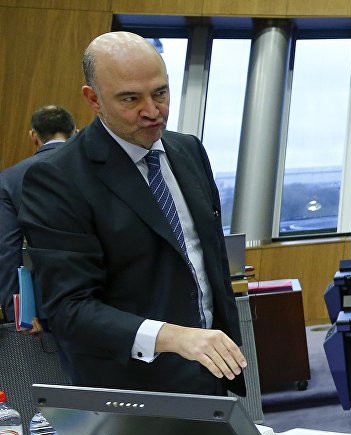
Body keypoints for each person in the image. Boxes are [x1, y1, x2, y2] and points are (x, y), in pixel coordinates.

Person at [18, 31, 246, 396]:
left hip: (212, 374)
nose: (152, 111)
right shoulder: (58, 178)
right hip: (130, 388)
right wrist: (172, 337)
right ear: (93, 99)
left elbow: (207, 260)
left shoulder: (187, 151)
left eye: (160, 93)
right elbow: (68, 308)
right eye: (130, 99)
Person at [0, 105, 76, 329]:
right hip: (105, 304)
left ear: (33, 136)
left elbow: (6, 249)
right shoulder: (98, 170)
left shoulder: (10, 178)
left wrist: (17, 311)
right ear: (75, 131)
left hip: (45, 306)